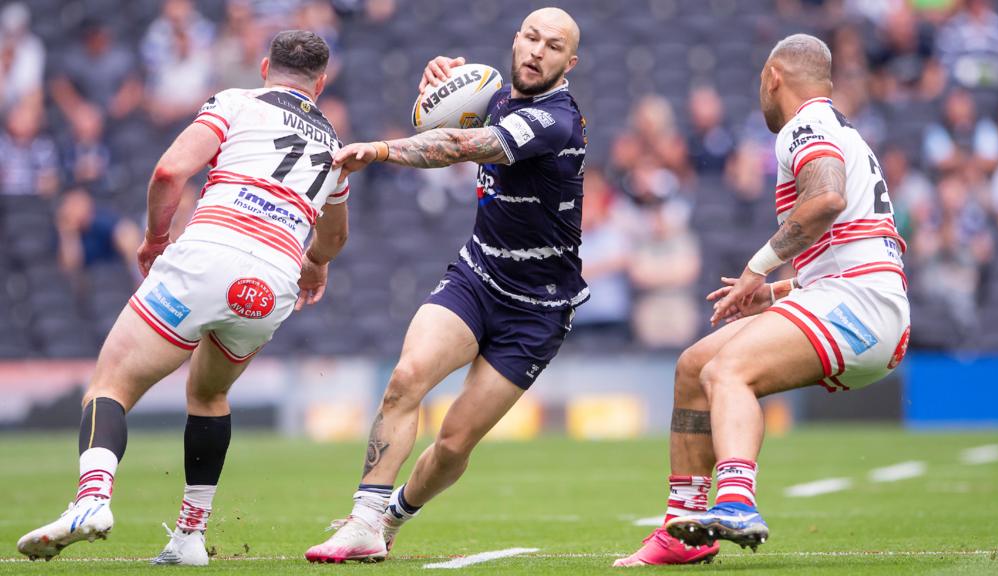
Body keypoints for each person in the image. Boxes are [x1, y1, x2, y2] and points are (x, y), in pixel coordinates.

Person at [16, 30, 351, 566]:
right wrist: (316, 265)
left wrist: (153, 239)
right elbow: (333, 238)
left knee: (111, 383)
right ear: (321, 82)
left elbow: (170, 170)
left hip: (212, 250)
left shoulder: (237, 101)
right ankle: (190, 537)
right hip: (272, 282)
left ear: (265, 68)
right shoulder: (336, 148)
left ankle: (92, 501)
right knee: (210, 396)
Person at [304, 7, 587, 563]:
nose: (536, 51)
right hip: (478, 276)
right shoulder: (498, 94)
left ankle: (393, 516)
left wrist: (383, 149)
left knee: (455, 442)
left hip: (537, 310)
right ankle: (362, 521)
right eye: (530, 38)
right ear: (515, 39)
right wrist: (439, 85)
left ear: (568, 62)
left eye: (552, 46)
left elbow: (460, 147)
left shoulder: (557, 119)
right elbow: (448, 114)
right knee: (407, 378)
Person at [615, 34, 910, 566]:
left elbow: (826, 200)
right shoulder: (839, 127)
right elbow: (848, 242)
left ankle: (735, 501)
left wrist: (757, 270)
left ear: (773, 76)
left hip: (857, 303)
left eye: (759, 82)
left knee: (727, 371)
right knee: (693, 367)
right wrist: (776, 291)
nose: (759, 92)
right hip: (854, 294)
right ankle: (683, 530)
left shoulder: (806, 124)